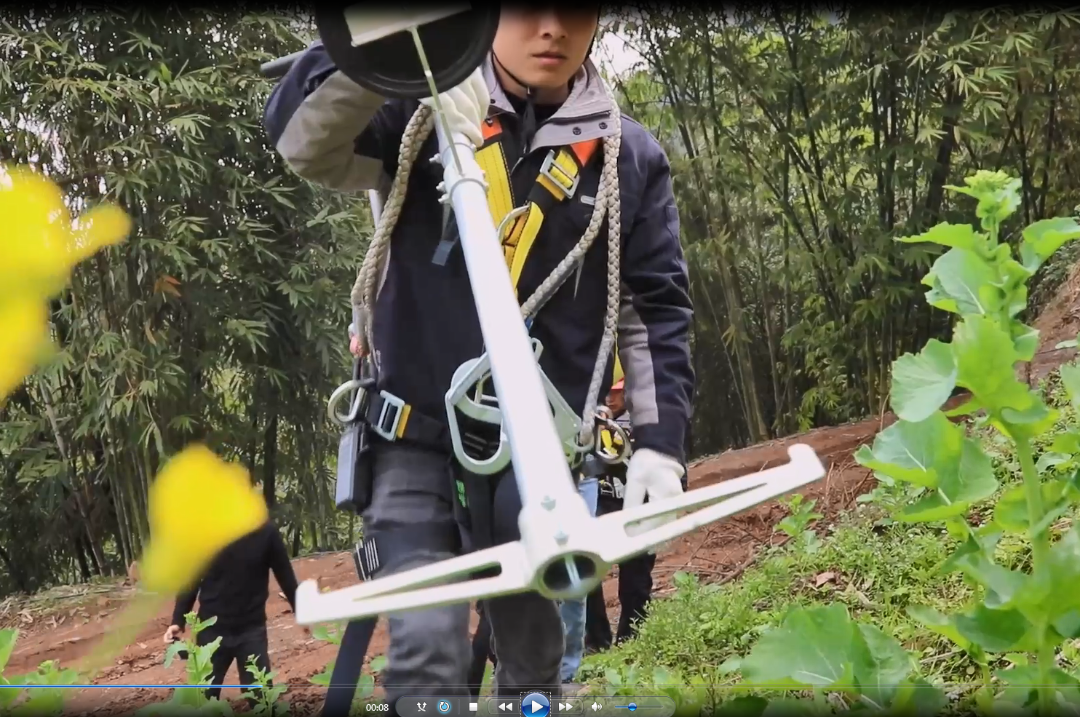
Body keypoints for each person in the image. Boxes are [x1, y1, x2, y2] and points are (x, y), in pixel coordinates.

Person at [264, 5, 694, 702]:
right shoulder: (415, 111)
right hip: (412, 439)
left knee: (535, 654)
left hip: (537, 453)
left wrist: (659, 444)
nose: (551, 28)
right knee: (428, 649)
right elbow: (301, 139)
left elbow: (653, 312)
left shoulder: (627, 157)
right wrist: (387, 48)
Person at [584, 379, 683, 651]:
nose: (611, 398)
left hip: (638, 503)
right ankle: (596, 641)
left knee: (636, 578)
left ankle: (632, 638)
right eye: (608, 392)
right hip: (601, 503)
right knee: (587, 571)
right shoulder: (587, 421)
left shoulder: (647, 422)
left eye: (617, 393)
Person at [162, 520, 299, 702]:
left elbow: (285, 574)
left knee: (262, 700)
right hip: (211, 632)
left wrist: (301, 611)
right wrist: (177, 621)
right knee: (203, 699)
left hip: (252, 631)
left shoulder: (266, 533)